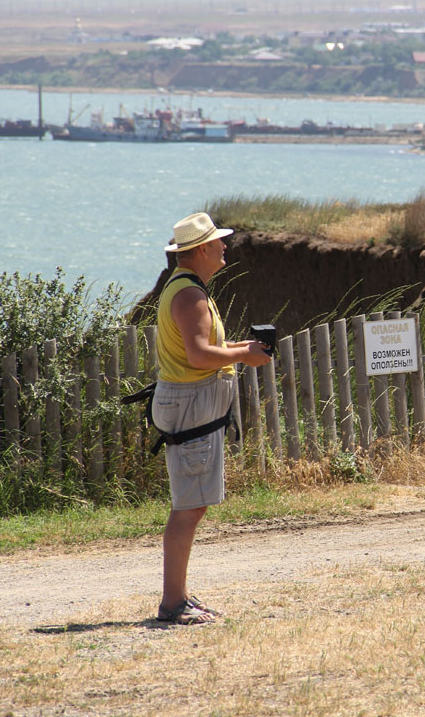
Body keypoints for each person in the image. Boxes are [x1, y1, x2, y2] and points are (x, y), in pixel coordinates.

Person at [152, 213, 270, 625]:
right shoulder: (189, 295)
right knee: (190, 506)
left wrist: (242, 347)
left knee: (193, 504)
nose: (224, 247)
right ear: (201, 249)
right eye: (218, 242)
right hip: (192, 406)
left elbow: (204, 347)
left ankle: (178, 595)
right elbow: (199, 355)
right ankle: (172, 603)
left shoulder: (189, 289)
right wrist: (242, 355)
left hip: (193, 405)